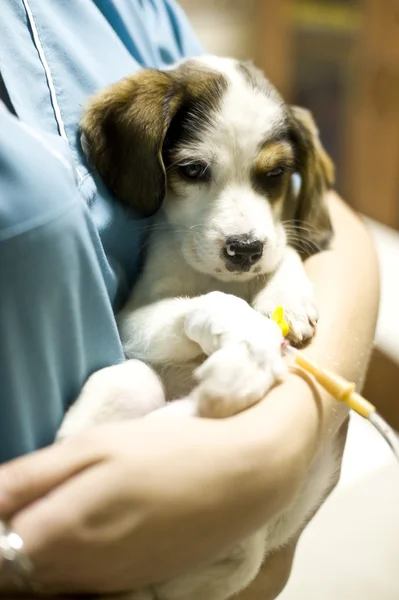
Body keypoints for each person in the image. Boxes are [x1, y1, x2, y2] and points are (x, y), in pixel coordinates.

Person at [0, 1, 379, 598]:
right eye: (195, 172)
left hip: (245, 513)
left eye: (269, 176)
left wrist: (285, 440)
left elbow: (334, 230)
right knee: (128, 386)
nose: (245, 229)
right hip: (73, 523)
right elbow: (134, 337)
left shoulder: (136, 11)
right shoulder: (151, 140)